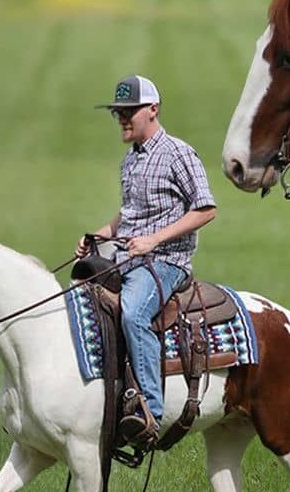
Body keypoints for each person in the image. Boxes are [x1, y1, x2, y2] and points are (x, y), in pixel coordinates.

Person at [77, 75, 216, 447]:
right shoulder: (131, 159)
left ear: (153, 109)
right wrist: (100, 235)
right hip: (127, 257)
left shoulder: (178, 153)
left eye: (129, 112)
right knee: (81, 294)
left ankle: (148, 412)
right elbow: (130, 214)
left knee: (134, 313)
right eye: (117, 113)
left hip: (166, 262)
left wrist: (153, 240)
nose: (122, 119)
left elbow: (205, 209)